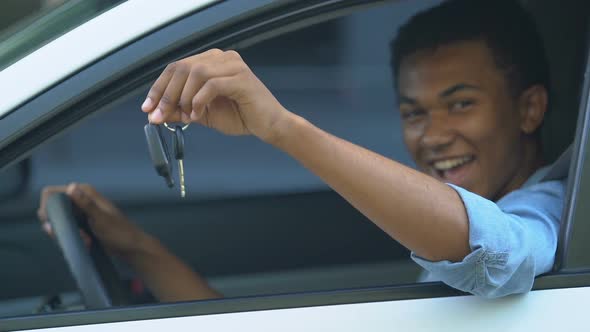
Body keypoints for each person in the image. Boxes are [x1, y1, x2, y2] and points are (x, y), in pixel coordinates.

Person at [38, 0, 568, 300]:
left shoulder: (553, 210)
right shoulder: (445, 226)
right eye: (414, 112)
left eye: (460, 104)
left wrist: (282, 128)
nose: (433, 135)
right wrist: (135, 246)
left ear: (529, 109)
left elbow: (497, 253)